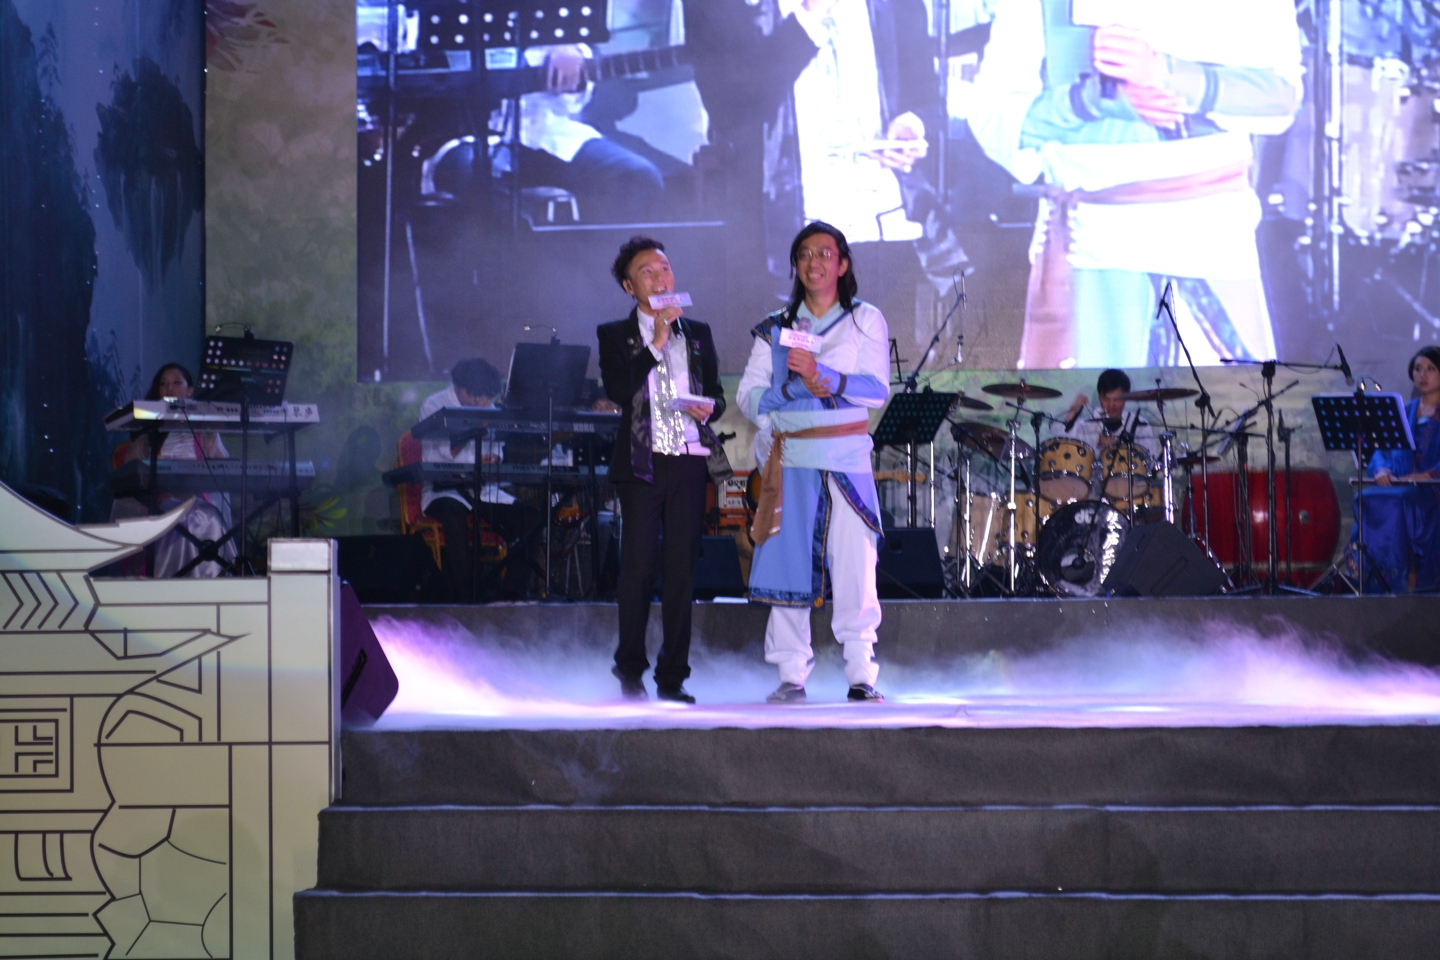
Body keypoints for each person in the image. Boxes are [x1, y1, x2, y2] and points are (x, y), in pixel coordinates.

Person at [969, 0, 1303, 368]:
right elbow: (996, 120)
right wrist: (1096, 101)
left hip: (1209, 237)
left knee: (1226, 399)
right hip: (1090, 241)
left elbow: (1282, 95)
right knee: (1091, 399)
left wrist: (1169, 74)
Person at [684, 0, 968, 327]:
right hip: (785, 241)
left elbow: (927, 95)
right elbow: (730, 110)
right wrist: (808, 17)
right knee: (795, 355)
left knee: (889, 351)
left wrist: (913, 124)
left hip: (889, 230)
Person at [737, 221, 888, 703]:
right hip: (792, 461)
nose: (814, 262)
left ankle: (861, 674)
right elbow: (747, 397)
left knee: (856, 566)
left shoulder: (865, 319)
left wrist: (829, 379)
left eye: (824, 253)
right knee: (788, 564)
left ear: (842, 264)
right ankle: (790, 676)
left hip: (846, 460)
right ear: (795, 266)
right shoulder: (775, 327)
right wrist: (792, 390)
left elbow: (876, 389)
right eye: (804, 254)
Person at [597, 236, 731, 702]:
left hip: (690, 459)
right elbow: (620, 390)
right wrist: (655, 342)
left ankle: (673, 676)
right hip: (642, 462)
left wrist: (709, 407)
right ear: (628, 286)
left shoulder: (697, 332)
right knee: (636, 568)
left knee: (680, 572)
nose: (660, 279)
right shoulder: (614, 334)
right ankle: (629, 669)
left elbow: (717, 394)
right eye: (647, 272)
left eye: (665, 269)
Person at [498, 40, 665, 222]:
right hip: (479, 138)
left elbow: (582, 40)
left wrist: (573, 52)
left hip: (541, 132)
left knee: (637, 178)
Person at [419, 358, 532, 602]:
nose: (483, 403)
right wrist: (474, 427)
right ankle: (466, 596)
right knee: (453, 515)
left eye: (487, 398)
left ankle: (510, 593)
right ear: (460, 388)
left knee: (528, 518)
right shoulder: (434, 405)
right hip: (445, 489)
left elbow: (496, 447)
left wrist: (494, 457)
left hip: (482, 488)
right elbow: (444, 453)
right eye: (478, 397)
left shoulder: (488, 407)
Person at [112, 363, 234, 578]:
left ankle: (210, 580)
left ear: (190, 390)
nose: (169, 389)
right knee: (179, 517)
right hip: (158, 499)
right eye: (163, 384)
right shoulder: (147, 427)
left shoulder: (204, 428)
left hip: (196, 497)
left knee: (207, 515)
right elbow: (131, 472)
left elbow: (220, 468)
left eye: (177, 383)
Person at [1357, 346, 1440, 594]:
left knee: (1402, 499)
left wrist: (1426, 476)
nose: (1422, 375)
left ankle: (1409, 576)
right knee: (1366, 497)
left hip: (1432, 490)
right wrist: (1381, 469)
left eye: (1431, 369)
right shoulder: (1403, 411)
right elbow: (1379, 452)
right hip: (1402, 486)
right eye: (1418, 369)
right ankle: (1373, 578)